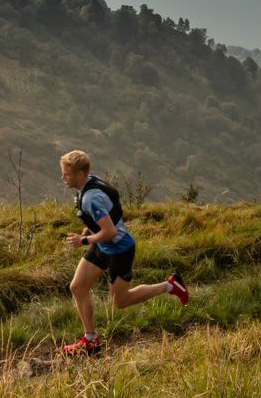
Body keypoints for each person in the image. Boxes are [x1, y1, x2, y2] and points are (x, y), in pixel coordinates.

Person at [58, 149, 188, 355]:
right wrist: (89, 229)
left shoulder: (91, 197)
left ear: (80, 174)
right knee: (78, 286)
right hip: (103, 246)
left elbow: (109, 231)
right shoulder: (88, 184)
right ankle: (91, 341)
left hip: (119, 249)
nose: (62, 177)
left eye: (66, 174)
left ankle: (170, 286)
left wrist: (83, 240)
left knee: (121, 301)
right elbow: (106, 217)